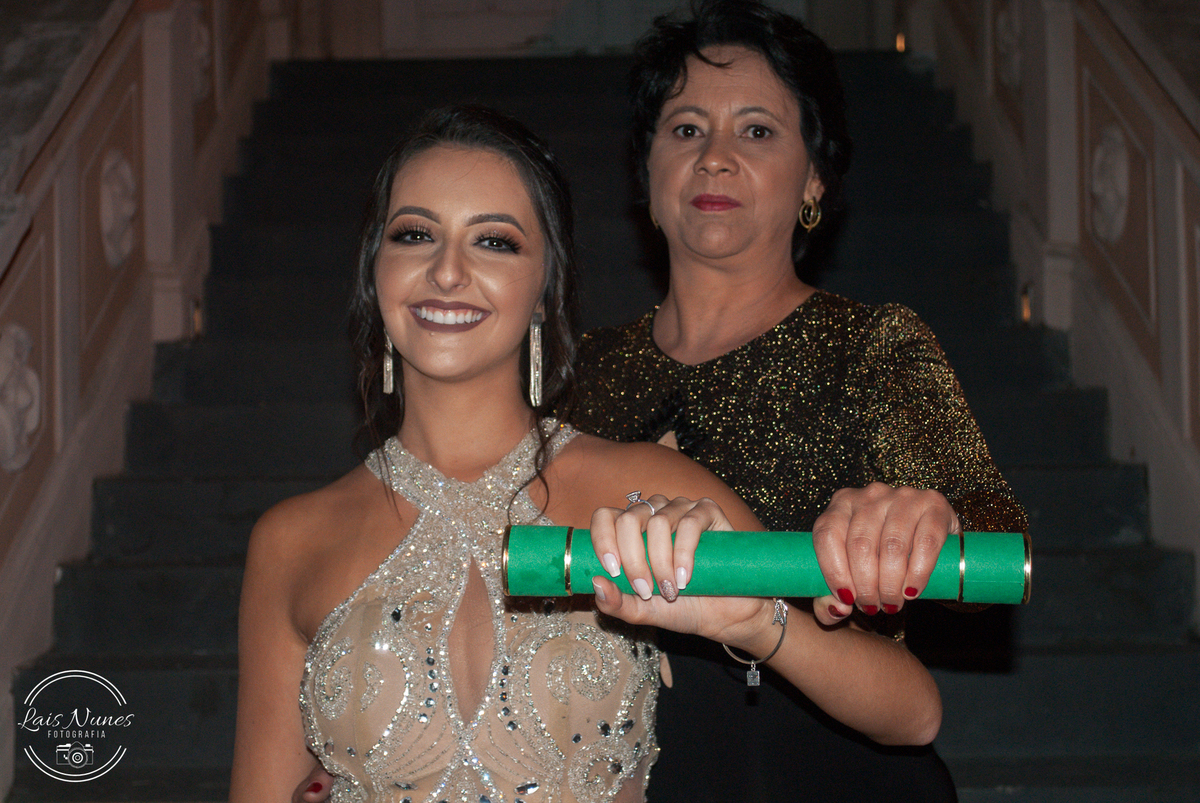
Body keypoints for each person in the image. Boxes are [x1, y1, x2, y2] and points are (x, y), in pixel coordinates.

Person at [233, 104, 944, 803]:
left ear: (546, 289)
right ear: (375, 273)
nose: (447, 271)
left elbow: (912, 714)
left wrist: (756, 622)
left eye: (494, 242)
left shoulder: (646, 484)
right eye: (415, 234)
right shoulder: (291, 541)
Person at [568, 1, 1029, 800]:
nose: (714, 158)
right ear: (647, 170)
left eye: (756, 130)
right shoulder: (577, 372)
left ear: (814, 177)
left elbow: (994, 532)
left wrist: (932, 520)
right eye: (685, 129)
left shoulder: (869, 345)